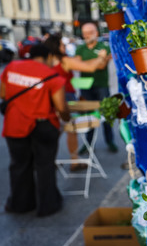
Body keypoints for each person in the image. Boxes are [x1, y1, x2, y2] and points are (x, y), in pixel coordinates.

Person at [0, 44, 70, 216]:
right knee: (45, 166)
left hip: (15, 124)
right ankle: (48, 206)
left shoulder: (11, 67)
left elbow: (3, 94)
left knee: (19, 165)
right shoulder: (52, 76)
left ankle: (21, 204)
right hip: (43, 126)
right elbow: (61, 107)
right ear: (47, 57)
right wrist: (66, 119)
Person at [45, 34, 108, 171]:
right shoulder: (64, 61)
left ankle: (48, 161)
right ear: (56, 46)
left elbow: (84, 63)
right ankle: (74, 161)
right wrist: (101, 57)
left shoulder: (47, 62)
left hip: (51, 99)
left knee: (55, 131)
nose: (64, 46)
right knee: (71, 130)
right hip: (66, 98)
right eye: (62, 44)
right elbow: (88, 67)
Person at [75, 22, 118, 153]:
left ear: (96, 33)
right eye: (84, 33)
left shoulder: (103, 46)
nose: (86, 36)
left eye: (89, 33)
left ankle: (110, 141)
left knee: (106, 114)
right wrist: (98, 60)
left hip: (101, 85)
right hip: (85, 87)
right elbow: (77, 64)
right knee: (88, 115)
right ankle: (88, 144)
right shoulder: (80, 48)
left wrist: (86, 63)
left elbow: (102, 66)